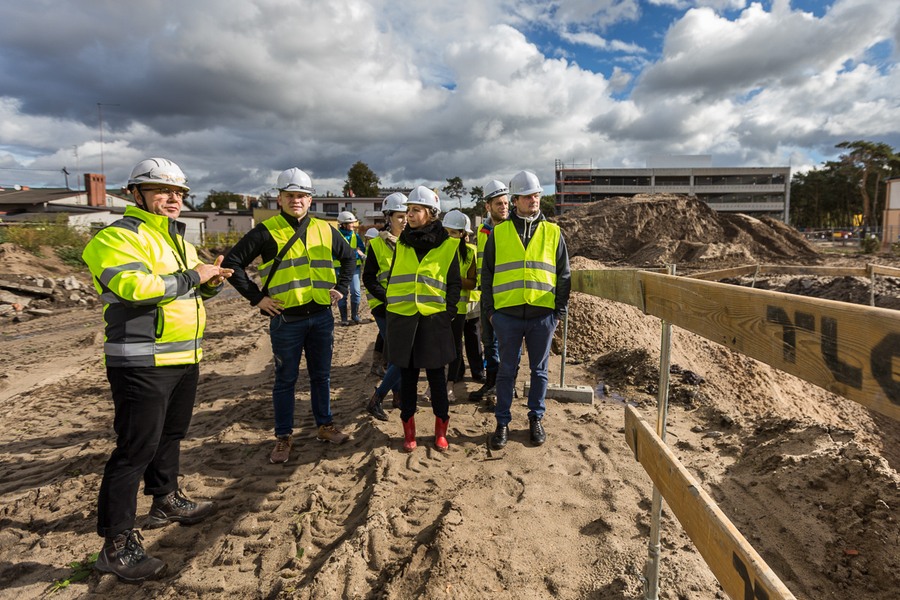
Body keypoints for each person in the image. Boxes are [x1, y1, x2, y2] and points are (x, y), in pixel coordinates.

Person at [82, 158, 232, 582]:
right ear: (136, 194)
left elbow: (183, 292)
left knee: (171, 435)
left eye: (180, 193)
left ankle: (165, 498)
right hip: (140, 360)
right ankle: (115, 545)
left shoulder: (177, 239)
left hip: (182, 356)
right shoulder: (115, 237)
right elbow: (136, 289)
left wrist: (208, 284)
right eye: (162, 190)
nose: (173, 199)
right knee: (134, 450)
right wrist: (192, 276)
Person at [222, 167, 353, 464]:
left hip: (320, 316)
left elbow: (347, 260)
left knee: (321, 376)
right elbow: (232, 263)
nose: (296, 200)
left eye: (302, 196)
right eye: (290, 195)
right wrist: (257, 299)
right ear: (279, 199)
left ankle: (325, 425)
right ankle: (283, 437)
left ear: (310, 200)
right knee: (286, 380)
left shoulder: (324, 229)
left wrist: (341, 288)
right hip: (286, 319)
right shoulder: (265, 231)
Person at [481, 170, 570, 449]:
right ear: (516, 200)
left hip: (542, 316)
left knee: (539, 371)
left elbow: (564, 275)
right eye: (528, 196)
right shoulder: (499, 233)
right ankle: (502, 422)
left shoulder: (553, 232)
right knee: (507, 372)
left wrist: (558, 312)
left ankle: (535, 418)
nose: (534, 200)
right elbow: (487, 275)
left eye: (536, 195)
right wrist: (492, 313)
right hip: (506, 316)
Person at [384, 186, 461, 452]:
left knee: (437, 378)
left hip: (434, 320)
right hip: (404, 320)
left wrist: (447, 313)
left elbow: (454, 285)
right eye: (407, 211)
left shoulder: (450, 245)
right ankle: (409, 433)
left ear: (431, 213)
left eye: (415, 210)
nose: (409, 216)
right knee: (407, 379)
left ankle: (441, 431)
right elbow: (395, 278)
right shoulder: (402, 244)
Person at [362, 192, 407, 420]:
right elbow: (368, 278)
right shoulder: (377, 245)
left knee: (399, 353)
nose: (405, 219)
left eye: (407, 214)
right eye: (400, 216)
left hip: (406, 306)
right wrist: (387, 296)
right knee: (401, 355)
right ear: (389, 217)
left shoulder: (412, 242)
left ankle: (397, 396)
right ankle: (378, 398)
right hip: (384, 306)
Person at [469, 179, 510, 402]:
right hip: (487, 295)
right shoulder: (482, 230)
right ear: (488, 206)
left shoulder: (512, 229)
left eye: (506, 203)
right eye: (499, 204)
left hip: (507, 295)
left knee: (508, 343)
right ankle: (491, 381)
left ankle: (506, 385)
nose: (504, 207)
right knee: (489, 341)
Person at [441, 210, 477, 402]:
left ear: (463, 234)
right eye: (447, 232)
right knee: (436, 347)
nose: (450, 237)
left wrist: (454, 280)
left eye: (454, 233)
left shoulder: (470, 253)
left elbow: (472, 282)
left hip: (459, 308)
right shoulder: (437, 250)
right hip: (436, 305)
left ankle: (449, 385)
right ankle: (435, 386)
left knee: (454, 348)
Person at [335, 211, 366, 325]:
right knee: (342, 292)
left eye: (353, 223)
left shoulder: (355, 236)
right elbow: (333, 252)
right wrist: (353, 253)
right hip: (340, 268)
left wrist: (359, 253)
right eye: (350, 223)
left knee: (356, 292)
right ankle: (344, 318)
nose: (353, 225)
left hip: (355, 268)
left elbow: (362, 249)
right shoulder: (336, 236)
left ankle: (355, 315)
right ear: (343, 224)